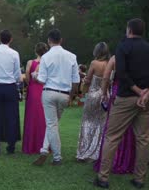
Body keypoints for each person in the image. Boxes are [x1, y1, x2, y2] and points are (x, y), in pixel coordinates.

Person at [94, 18, 149, 189]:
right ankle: (139, 179)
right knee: (143, 139)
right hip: (146, 99)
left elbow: (123, 74)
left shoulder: (123, 47)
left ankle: (103, 178)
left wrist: (139, 91)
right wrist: (148, 92)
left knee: (112, 137)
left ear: (129, 30)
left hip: (126, 98)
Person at [32, 29, 80, 166]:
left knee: (51, 124)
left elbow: (41, 80)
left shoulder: (46, 57)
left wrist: (35, 76)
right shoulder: (72, 56)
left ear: (49, 41)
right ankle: (44, 150)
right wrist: (72, 96)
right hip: (64, 94)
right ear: (61, 40)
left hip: (49, 92)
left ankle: (57, 157)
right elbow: (76, 80)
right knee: (53, 124)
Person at [94, 55, 136, 174]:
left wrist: (103, 93)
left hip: (118, 93)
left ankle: (110, 162)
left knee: (112, 129)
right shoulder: (142, 54)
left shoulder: (116, 57)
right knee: (131, 127)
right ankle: (128, 161)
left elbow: (106, 77)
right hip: (135, 93)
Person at [0, 30, 21, 155]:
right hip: (10, 87)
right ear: (10, 39)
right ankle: (11, 147)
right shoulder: (14, 53)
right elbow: (17, 73)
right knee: (11, 117)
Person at [76, 42, 110, 162]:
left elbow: (88, 80)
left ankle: (85, 151)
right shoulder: (109, 64)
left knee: (88, 122)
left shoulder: (94, 63)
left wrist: (83, 94)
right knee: (101, 124)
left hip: (93, 95)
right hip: (106, 96)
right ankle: (98, 151)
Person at [22, 42, 48, 155]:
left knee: (31, 117)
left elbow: (27, 78)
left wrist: (31, 83)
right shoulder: (47, 63)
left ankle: (31, 145)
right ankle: (44, 144)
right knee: (43, 117)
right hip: (43, 89)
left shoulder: (30, 63)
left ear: (36, 51)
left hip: (32, 90)